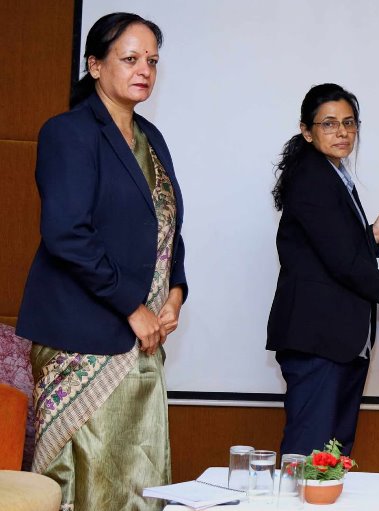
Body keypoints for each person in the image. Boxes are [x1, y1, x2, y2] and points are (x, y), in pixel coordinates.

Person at [16, 12, 186, 511]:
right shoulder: (68, 132)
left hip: (142, 341)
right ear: (95, 65)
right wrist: (133, 306)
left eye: (152, 61)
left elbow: (168, 228)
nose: (144, 70)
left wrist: (176, 292)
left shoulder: (152, 138)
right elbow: (66, 234)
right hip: (83, 336)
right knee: (80, 484)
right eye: (130, 59)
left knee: (137, 482)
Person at [266, 83, 379, 457]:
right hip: (318, 341)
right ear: (307, 131)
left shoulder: (332, 173)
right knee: (311, 454)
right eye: (329, 124)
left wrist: (370, 236)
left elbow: (331, 247)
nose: (342, 132)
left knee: (332, 457)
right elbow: (342, 263)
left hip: (339, 342)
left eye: (349, 123)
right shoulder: (312, 178)